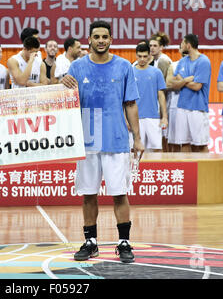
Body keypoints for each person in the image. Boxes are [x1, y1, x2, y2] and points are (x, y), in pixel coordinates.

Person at [62, 20, 144, 263]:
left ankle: (124, 242)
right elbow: (65, 102)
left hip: (116, 139)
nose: (100, 40)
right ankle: (91, 242)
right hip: (86, 141)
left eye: (104, 36)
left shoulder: (123, 67)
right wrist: (62, 86)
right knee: (88, 194)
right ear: (88, 40)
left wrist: (137, 138)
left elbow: (130, 104)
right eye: (96, 36)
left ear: (111, 39)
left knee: (119, 193)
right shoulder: (76, 67)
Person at [168, 34, 211, 152]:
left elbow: (197, 86)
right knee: (184, 143)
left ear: (188, 45)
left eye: (182, 43)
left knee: (200, 144)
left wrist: (182, 81)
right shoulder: (182, 62)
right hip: (182, 107)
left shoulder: (204, 61)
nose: (181, 45)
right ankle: (187, 170)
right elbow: (173, 84)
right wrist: (187, 79)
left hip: (198, 108)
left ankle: (204, 170)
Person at [134, 43, 167, 151]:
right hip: (135, 118)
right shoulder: (130, 72)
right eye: (139, 56)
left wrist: (164, 117)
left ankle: (155, 169)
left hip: (153, 117)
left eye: (145, 56)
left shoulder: (156, 72)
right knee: (136, 151)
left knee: (157, 149)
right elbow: (124, 98)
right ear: (136, 55)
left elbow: (161, 95)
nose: (142, 59)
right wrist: (125, 118)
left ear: (149, 56)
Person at [165, 45, 188, 152]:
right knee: (174, 142)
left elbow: (198, 85)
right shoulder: (173, 65)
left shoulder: (198, 64)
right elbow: (169, 83)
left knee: (190, 143)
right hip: (174, 107)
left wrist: (178, 81)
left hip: (191, 106)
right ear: (179, 50)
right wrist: (187, 80)